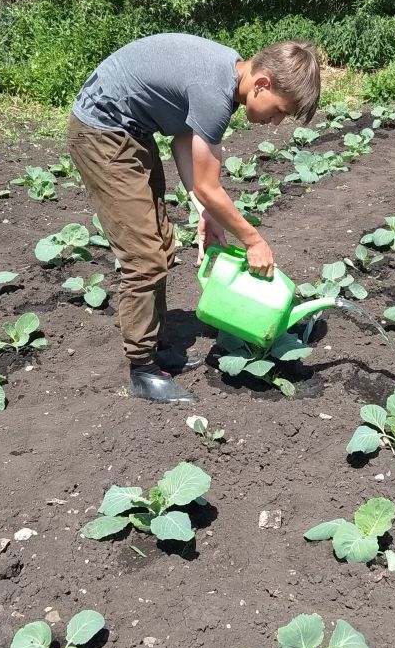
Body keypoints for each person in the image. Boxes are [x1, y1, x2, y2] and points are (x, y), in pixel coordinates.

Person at [66, 33, 321, 403]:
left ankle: (158, 346)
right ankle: (142, 369)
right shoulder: (215, 92)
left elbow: (183, 141)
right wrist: (253, 240)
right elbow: (207, 184)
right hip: (102, 131)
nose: (277, 121)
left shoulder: (227, 74)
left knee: (161, 245)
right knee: (144, 257)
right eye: (280, 110)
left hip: (132, 131)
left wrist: (205, 212)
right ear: (262, 83)